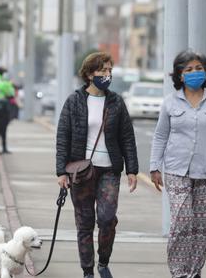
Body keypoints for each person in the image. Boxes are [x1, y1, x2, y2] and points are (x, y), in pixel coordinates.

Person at [149, 50, 206, 278]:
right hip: (177, 170)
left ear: (205, 72)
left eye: (198, 68)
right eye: (188, 69)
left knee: (203, 226)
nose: (194, 72)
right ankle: (179, 272)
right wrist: (154, 166)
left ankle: (194, 271)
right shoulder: (170, 102)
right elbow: (160, 136)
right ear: (180, 75)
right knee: (182, 220)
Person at [56, 52, 139, 278]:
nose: (107, 74)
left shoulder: (116, 102)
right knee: (84, 223)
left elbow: (127, 137)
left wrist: (132, 170)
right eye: (103, 70)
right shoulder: (74, 101)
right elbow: (63, 136)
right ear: (90, 73)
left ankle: (103, 262)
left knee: (107, 218)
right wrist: (61, 171)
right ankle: (87, 271)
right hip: (81, 172)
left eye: (110, 70)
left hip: (109, 170)